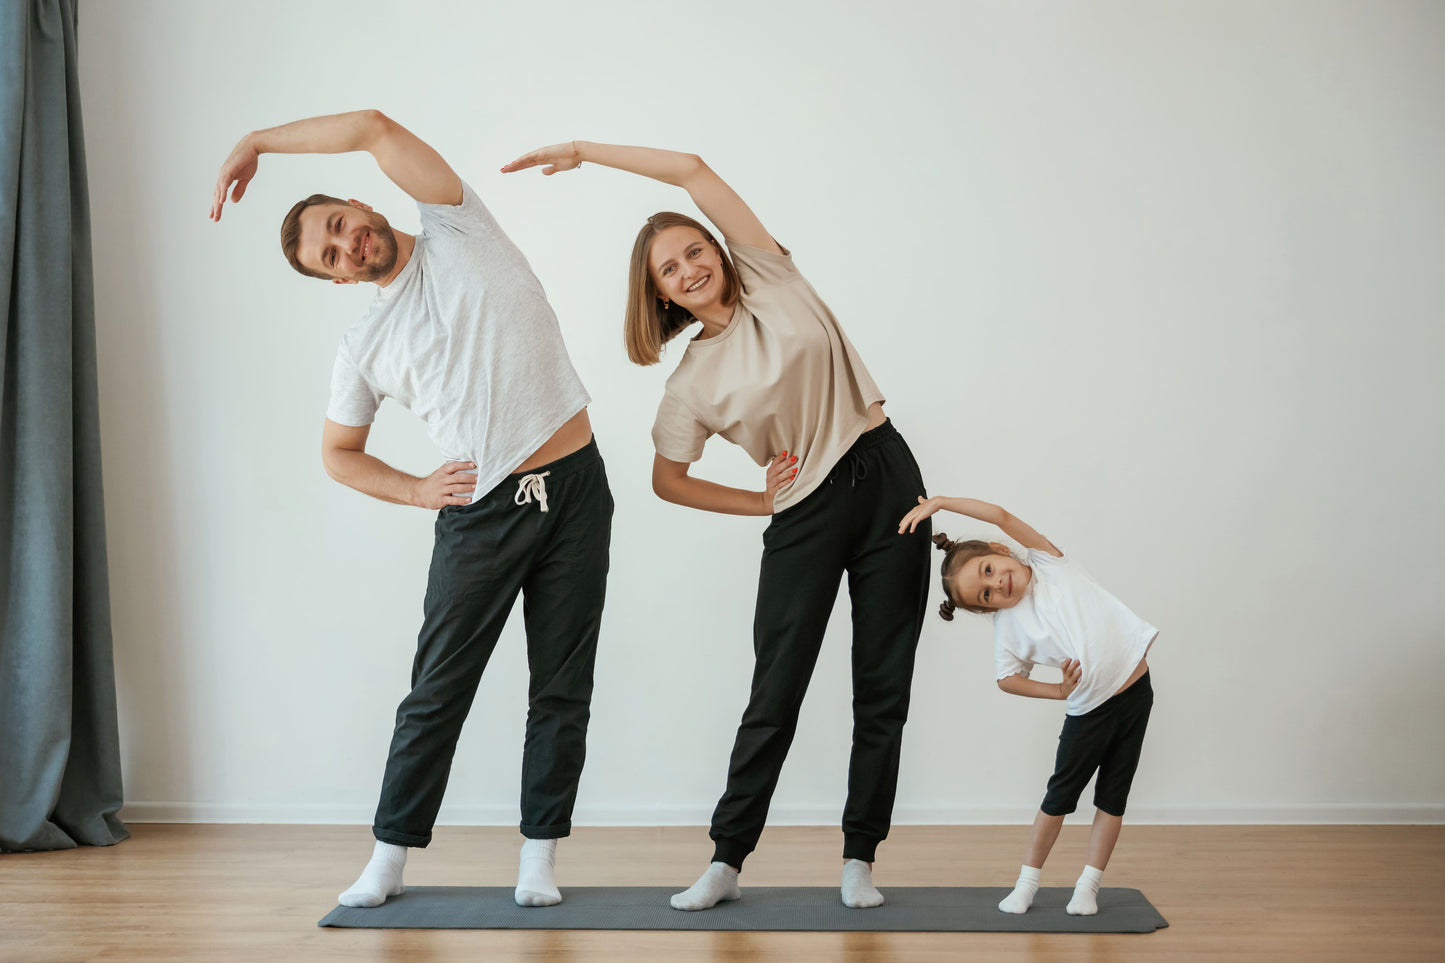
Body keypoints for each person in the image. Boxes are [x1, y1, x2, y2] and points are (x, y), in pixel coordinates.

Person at [501, 142, 932, 910]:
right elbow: (668, 479)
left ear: (719, 252)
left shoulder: (772, 275)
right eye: (670, 269)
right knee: (776, 691)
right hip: (806, 512)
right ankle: (726, 860)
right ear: (659, 293)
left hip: (889, 478)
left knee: (882, 686)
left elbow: (694, 171)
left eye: (694, 250)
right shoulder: (689, 380)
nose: (690, 268)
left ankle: (859, 858)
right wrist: (761, 502)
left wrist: (585, 153)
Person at [210, 110, 612, 909]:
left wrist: (255, 142)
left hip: (575, 488)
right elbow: (337, 453)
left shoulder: (459, 226)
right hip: (481, 515)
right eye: (329, 254)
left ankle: (538, 856)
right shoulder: (364, 344)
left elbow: (370, 125)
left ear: (361, 206)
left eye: (338, 225)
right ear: (334, 280)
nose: (345, 244)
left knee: (561, 686)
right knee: (437, 691)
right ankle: (389, 855)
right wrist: (416, 487)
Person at [898, 495, 1157, 916]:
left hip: (1135, 694)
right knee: (1059, 798)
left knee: (1113, 798)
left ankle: (1088, 886)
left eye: (988, 571)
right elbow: (1006, 679)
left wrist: (943, 502)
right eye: (985, 596)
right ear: (987, 610)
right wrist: (1056, 691)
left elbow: (999, 516)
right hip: (1088, 711)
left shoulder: (1051, 563)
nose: (996, 585)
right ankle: (1027, 882)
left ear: (1000, 552)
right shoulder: (1010, 628)